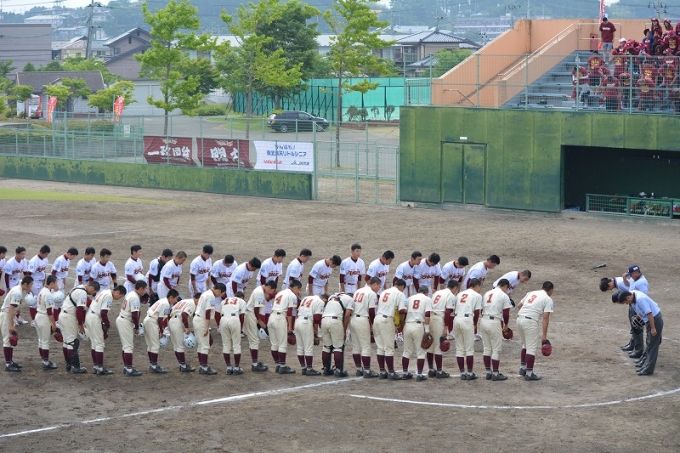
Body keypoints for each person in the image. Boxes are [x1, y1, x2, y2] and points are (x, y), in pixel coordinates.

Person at [599, 265, 649, 359]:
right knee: (634, 325)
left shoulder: (637, 283)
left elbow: (634, 294)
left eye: (609, 288)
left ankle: (638, 350)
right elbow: (629, 287)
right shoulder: (628, 280)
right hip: (633, 304)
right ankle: (632, 344)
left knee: (636, 326)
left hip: (636, 305)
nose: (610, 289)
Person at [617, 290, 663, 376]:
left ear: (628, 297)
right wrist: (637, 318)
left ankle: (648, 369)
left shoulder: (640, 299)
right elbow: (642, 311)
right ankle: (645, 363)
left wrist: (653, 328)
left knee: (653, 345)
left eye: (626, 302)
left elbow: (649, 313)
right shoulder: (634, 298)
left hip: (654, 320)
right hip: (651, 320)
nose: (627, 304)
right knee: (649, 343)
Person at [516, 281, 555, 381]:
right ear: (551, 290)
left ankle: (523, 368)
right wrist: (544, 336)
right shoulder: (548, 299)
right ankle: (529, 374)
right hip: (530, 322)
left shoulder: (531, 293)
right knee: (531, 348)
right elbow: (545, 317)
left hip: (519, 319)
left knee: (525, 344)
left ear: (542, 287)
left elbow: (519, 306)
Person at [86, 285, 126, 375]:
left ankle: (96, 366)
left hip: (89, 316)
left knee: (94, 343)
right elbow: (103, 313)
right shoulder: (109, 296)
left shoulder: (105, 291)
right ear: (117, 292)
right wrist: (107, 324)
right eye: (120, 296)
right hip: (94, 318)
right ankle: (100, 368)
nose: (119, 298)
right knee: (99, 344)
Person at [61, 280, 99, 374]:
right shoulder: (82, 292)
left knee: (66, 341)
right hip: (69, 317)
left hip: (63, 315)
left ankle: (69, 364)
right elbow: (79, 309)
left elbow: (87, 301)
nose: (92, 293)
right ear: (91, 288)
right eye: (93, 291)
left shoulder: (79, 287)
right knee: (72, 342)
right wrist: (80, 324)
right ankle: (75, 367)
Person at [372, 279, 406, 380]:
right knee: (389, 348)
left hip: (377, 319)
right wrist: (401, 324)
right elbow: (402, 311)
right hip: (386, 321)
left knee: (380, 347)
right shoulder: (400, 294)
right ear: (401, 286)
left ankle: (382, 372)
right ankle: (391, 373)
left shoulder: (384, 292)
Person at [348, 277, 380, 377]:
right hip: (362, 319)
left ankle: (359, 369)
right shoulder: (372, 293)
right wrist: (373, 324)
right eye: (378, 286)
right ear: (375, 284)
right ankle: (367, 371)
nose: (378, 289)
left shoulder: (358, 291)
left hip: (353, 319)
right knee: (365, 346)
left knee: (356, 346)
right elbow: (371, 311)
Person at [481, 279, 512, 381]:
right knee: (496, 349)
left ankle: (488, 372)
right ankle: (495, 373)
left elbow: (481, 309)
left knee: (487, 348)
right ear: (505, 286)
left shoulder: (487, 293)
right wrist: (506, 325)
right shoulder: (504, 296)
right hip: (494, 322)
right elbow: (506, 313)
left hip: (483, 320)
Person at [267, 279, 300, 374]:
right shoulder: (292, 295)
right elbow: (289, 312)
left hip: (271, 317)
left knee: (274, 344)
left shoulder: (280, 293)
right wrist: (290, 327)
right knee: (282, 344)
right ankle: (282, 366)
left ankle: (278, 365)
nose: (298, 292)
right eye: (298, 289)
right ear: (295, 287)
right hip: (280, 318)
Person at [1, 276, 33, 371]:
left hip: (9, 315)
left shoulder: (19, 290)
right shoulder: (17, 293)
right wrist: (11, 324)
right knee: (8, 340)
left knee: (11, 339)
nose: (31, 287)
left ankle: (10, 362)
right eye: (30, 285)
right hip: (7, 315)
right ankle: (8, 364)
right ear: (25, 284)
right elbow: (11, 309)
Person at [143, 289, 179, 374]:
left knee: (150, 344)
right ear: (171, 297)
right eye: (176, 298)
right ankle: (154, 366)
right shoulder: (166, 304)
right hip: (152, 322)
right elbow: (160, 319)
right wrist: (161, 331)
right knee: (155, 345)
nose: (176, 300)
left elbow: (165, 316)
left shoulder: (163, 301)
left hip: (147, 320)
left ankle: (152, 364)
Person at [428, 280, 459, 377]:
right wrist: (446, 327)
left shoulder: (437, 292)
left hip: (430, 318)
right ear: (455, 288)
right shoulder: (451, 295)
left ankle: (431, 369)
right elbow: (448, 312)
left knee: (430, 345)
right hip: (438, 319)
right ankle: (439, 372)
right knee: (438, 345)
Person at [243, 280, 276, 372]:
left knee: (254, 340)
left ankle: (255, 362)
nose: (270, 293)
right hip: (251, 315)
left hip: (251, 314)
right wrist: (259, 321)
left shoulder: (259, 290)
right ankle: (255, 364)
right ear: (268, 287)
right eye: (271, 291)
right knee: (254, 340)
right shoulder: (260, 293)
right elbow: (256, 308)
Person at [453, 278, 482, 380]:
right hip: (467, 320)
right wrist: (475, 324)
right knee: (469, 349)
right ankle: (469, 373)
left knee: (459, 348)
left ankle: (462, 373)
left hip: (457, 319)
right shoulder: (477, 296)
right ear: (477, 286)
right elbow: (477, 312)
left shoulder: (459, 294)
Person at [116, 280, 147, 376]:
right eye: (145, 289)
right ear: (141, 288)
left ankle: (127, 367)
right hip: (125, 322)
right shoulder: (134, 297)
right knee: (128, 346)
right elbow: (134, 314)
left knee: (126, 346)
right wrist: (137, 327)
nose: (145, 291)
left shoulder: (131, 294)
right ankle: (129, 369)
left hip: (122, 320)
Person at [401, 287, 432, 381]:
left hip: (407, 325)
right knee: (421, 352)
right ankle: (419, 374)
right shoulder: (427, 299)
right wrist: (427, 329)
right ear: (426, 292)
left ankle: (405, 373)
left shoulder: (409, 298)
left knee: (406, 351)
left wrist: (402, 326)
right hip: (418, 326)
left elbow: (403, 313)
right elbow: (427, 314)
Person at [194, 284, 226, 375]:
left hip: (197, 319)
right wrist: (207, 326)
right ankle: (204, 367)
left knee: (201, 344)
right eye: (221, 294)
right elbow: (208, 312)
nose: (220, 296)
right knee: (205, 345)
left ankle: (202, 366)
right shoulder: (211, 296)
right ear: (219, 290)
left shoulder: (206, 293)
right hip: (202, 320)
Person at [320, 292, 354, 377]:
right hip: (335, 321)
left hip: (324, 319)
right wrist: (344, 330)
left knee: (326, 347)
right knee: (338, 347)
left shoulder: (332, 296)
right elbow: (347, 316)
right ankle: (339, 370)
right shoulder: (350, 299)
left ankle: (326, 369)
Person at [295, 293, 327, 376]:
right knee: (308, 347)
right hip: (306, 322)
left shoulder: (306, 298)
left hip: (297, 321)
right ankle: (309, 369)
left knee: (300, 347)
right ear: (324, 300)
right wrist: (315, 334)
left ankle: (303, 368)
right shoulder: (320, 302)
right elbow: (317, 318)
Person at [168, 293, 200, 372]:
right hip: (177, 322)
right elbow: (184, 314)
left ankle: (181, 364)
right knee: (180, 346)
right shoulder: (192, 304)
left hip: (171, 321)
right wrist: (186, 327)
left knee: (176, 345)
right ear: (197, 299)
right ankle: (183, 366)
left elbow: (171, 311)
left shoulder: (184, 301)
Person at [219, 291, 247, 375]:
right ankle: (236, 368)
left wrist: (219, 325)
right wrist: (241, 328)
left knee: (226, 344)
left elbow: (217, 314)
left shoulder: (225, 300)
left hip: (223, 320)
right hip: (234, 320)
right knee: (236, 344)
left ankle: (228, 367)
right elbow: (242, 316)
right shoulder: (242, 301)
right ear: (241, 297)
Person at [34, 275, 59, 370]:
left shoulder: (42, 290)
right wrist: (53, 324)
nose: (56, 285)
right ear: (52, 283)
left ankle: (44, 360)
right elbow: (49, 312)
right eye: (56, 283)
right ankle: (45, 362)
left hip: (38, 316)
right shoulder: (48, 294)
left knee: (41, 340)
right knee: (45, 341)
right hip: (44, 318)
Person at [259, 249, 286, 324]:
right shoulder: (266, 264)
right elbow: (262, 279)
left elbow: (277, 277)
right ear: (275, 256)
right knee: (262, 306)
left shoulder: (279, 264)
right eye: (281, 257)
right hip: (262, 286)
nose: (282, 259)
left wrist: (274, 289)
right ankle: (261, 325)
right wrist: (266, 292)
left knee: (269, 307)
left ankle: (266, 325)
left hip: (271, 287)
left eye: (283, 258)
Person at [26, 245, 51, 325]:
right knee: (33, 302)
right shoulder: (34, 261)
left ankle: (38, 318)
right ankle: (33, 320)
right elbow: (28, 274)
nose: (46, 256)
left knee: (41, 301)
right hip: (34, 283)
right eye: (45, 254)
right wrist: (28, 287)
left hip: (41, 282)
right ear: (41, 252)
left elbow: (44, 272)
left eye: (47, 254)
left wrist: (44, 282)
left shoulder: (45, 259)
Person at [4, 246, 28, 324]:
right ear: (17, 254)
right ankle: (10, 319)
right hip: (10, 282)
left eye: (24, 254)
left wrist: (27, 283)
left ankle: (18, 317)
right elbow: (6, 276)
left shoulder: (24, 261)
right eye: (22, 254)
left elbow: (25, 273)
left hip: (17, 282)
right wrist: (8, 287)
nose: (23, 256)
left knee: (19, 300)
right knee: (11, 302)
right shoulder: (10, 263)